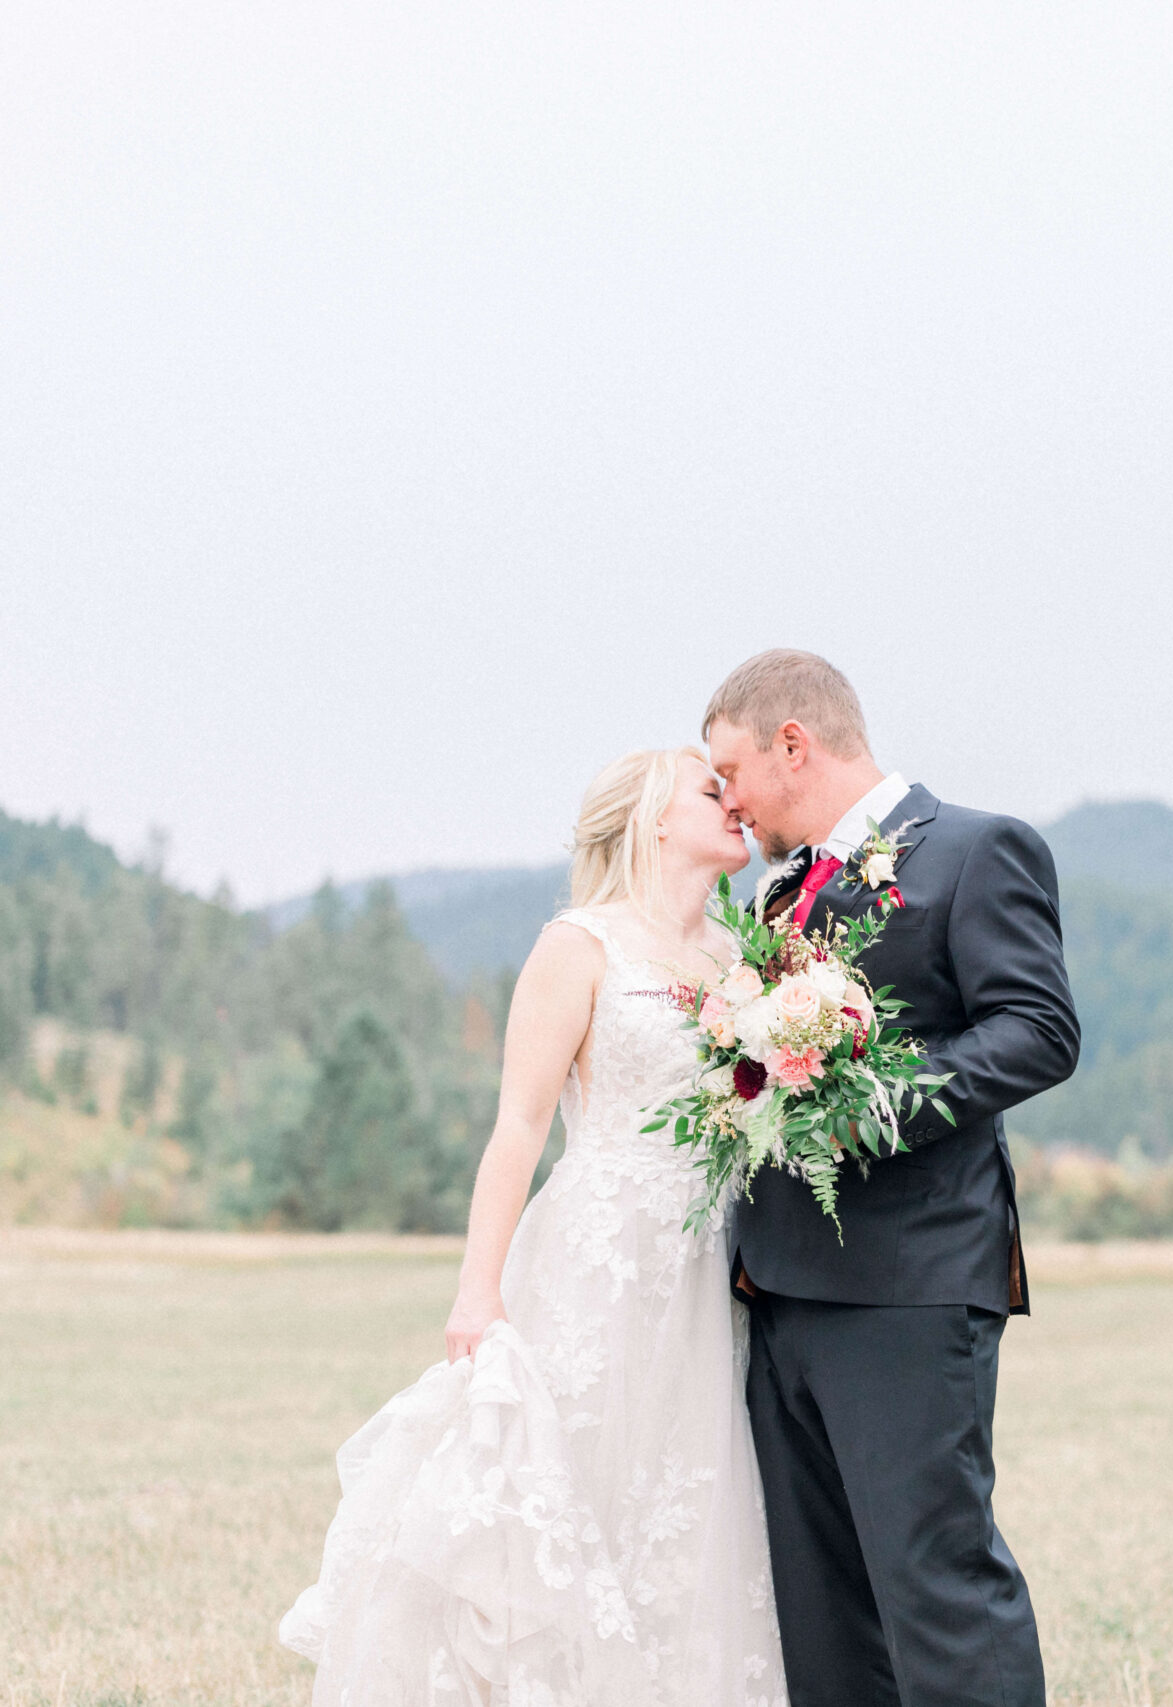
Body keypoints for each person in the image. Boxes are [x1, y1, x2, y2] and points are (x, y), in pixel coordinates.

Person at [280, 748, 787, 1706]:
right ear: (653, 817)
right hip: (599, 1253)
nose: (736, 803)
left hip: (709, 1260)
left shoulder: (739, 957)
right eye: (710, 790)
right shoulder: (580, 945)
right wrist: (479, 1287)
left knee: (688, 1501)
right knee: (570, 1489)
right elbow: (518, 1125)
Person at [703, 648, 1079, 1707]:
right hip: (779, 1288)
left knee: (934, 1584)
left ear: (793, 745)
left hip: (910, 1285)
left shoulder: (971, 850)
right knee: (822, 1608)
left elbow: (1039, 1033)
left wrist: (873, 1108)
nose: (725, 800)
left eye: (730, 770)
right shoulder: (777, 894)